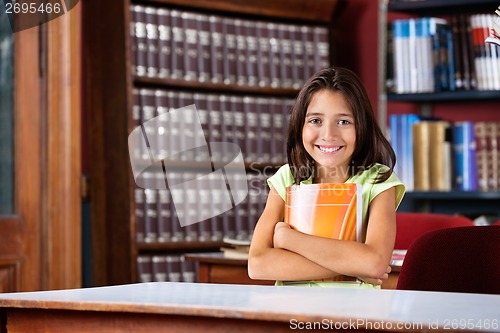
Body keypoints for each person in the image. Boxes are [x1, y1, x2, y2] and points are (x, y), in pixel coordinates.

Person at [248, 66, 405, 287]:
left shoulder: (379, 180)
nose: (329, 135)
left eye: (344, 122)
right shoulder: (287, 178)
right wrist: (355, 267)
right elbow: (258, 264)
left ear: (362, 126)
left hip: (353, 313)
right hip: (291, 311)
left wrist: (290, 240)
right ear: (299, 125)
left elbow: (374, 263)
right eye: (315, 120)